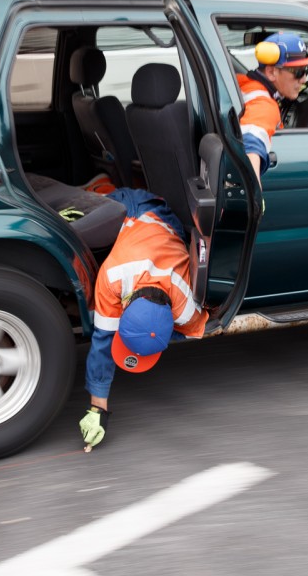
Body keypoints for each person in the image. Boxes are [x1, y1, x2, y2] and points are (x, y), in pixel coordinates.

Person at [79, 188, 207, 449]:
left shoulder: (186, 310)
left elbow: (194, 330)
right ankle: (99, 187)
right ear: (123, 307)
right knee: (86, 213)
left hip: (167, 227)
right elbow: (103, 341)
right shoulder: (112, 277)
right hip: (137, 208)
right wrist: (97, 409)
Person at [236, 32, 308, 185]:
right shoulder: (265, 105)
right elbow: (250, 144)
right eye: (298, 72)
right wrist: (253, 195)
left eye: (306, 70)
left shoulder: (242, 81)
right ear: (272, 72)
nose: (304, 79)